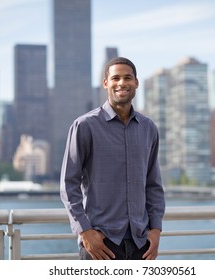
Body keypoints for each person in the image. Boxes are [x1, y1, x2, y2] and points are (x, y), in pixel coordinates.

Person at [60, 57, 165, 260]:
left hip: (141, 244)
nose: (121, 83)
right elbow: (68, 184)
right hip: (100, 244)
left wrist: (156, 229)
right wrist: (84, 231)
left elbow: (153, 185)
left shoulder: (149, 128)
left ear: (136, 83)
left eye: (128, 78)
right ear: (106, 83)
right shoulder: (84, 126)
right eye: (115, 78)